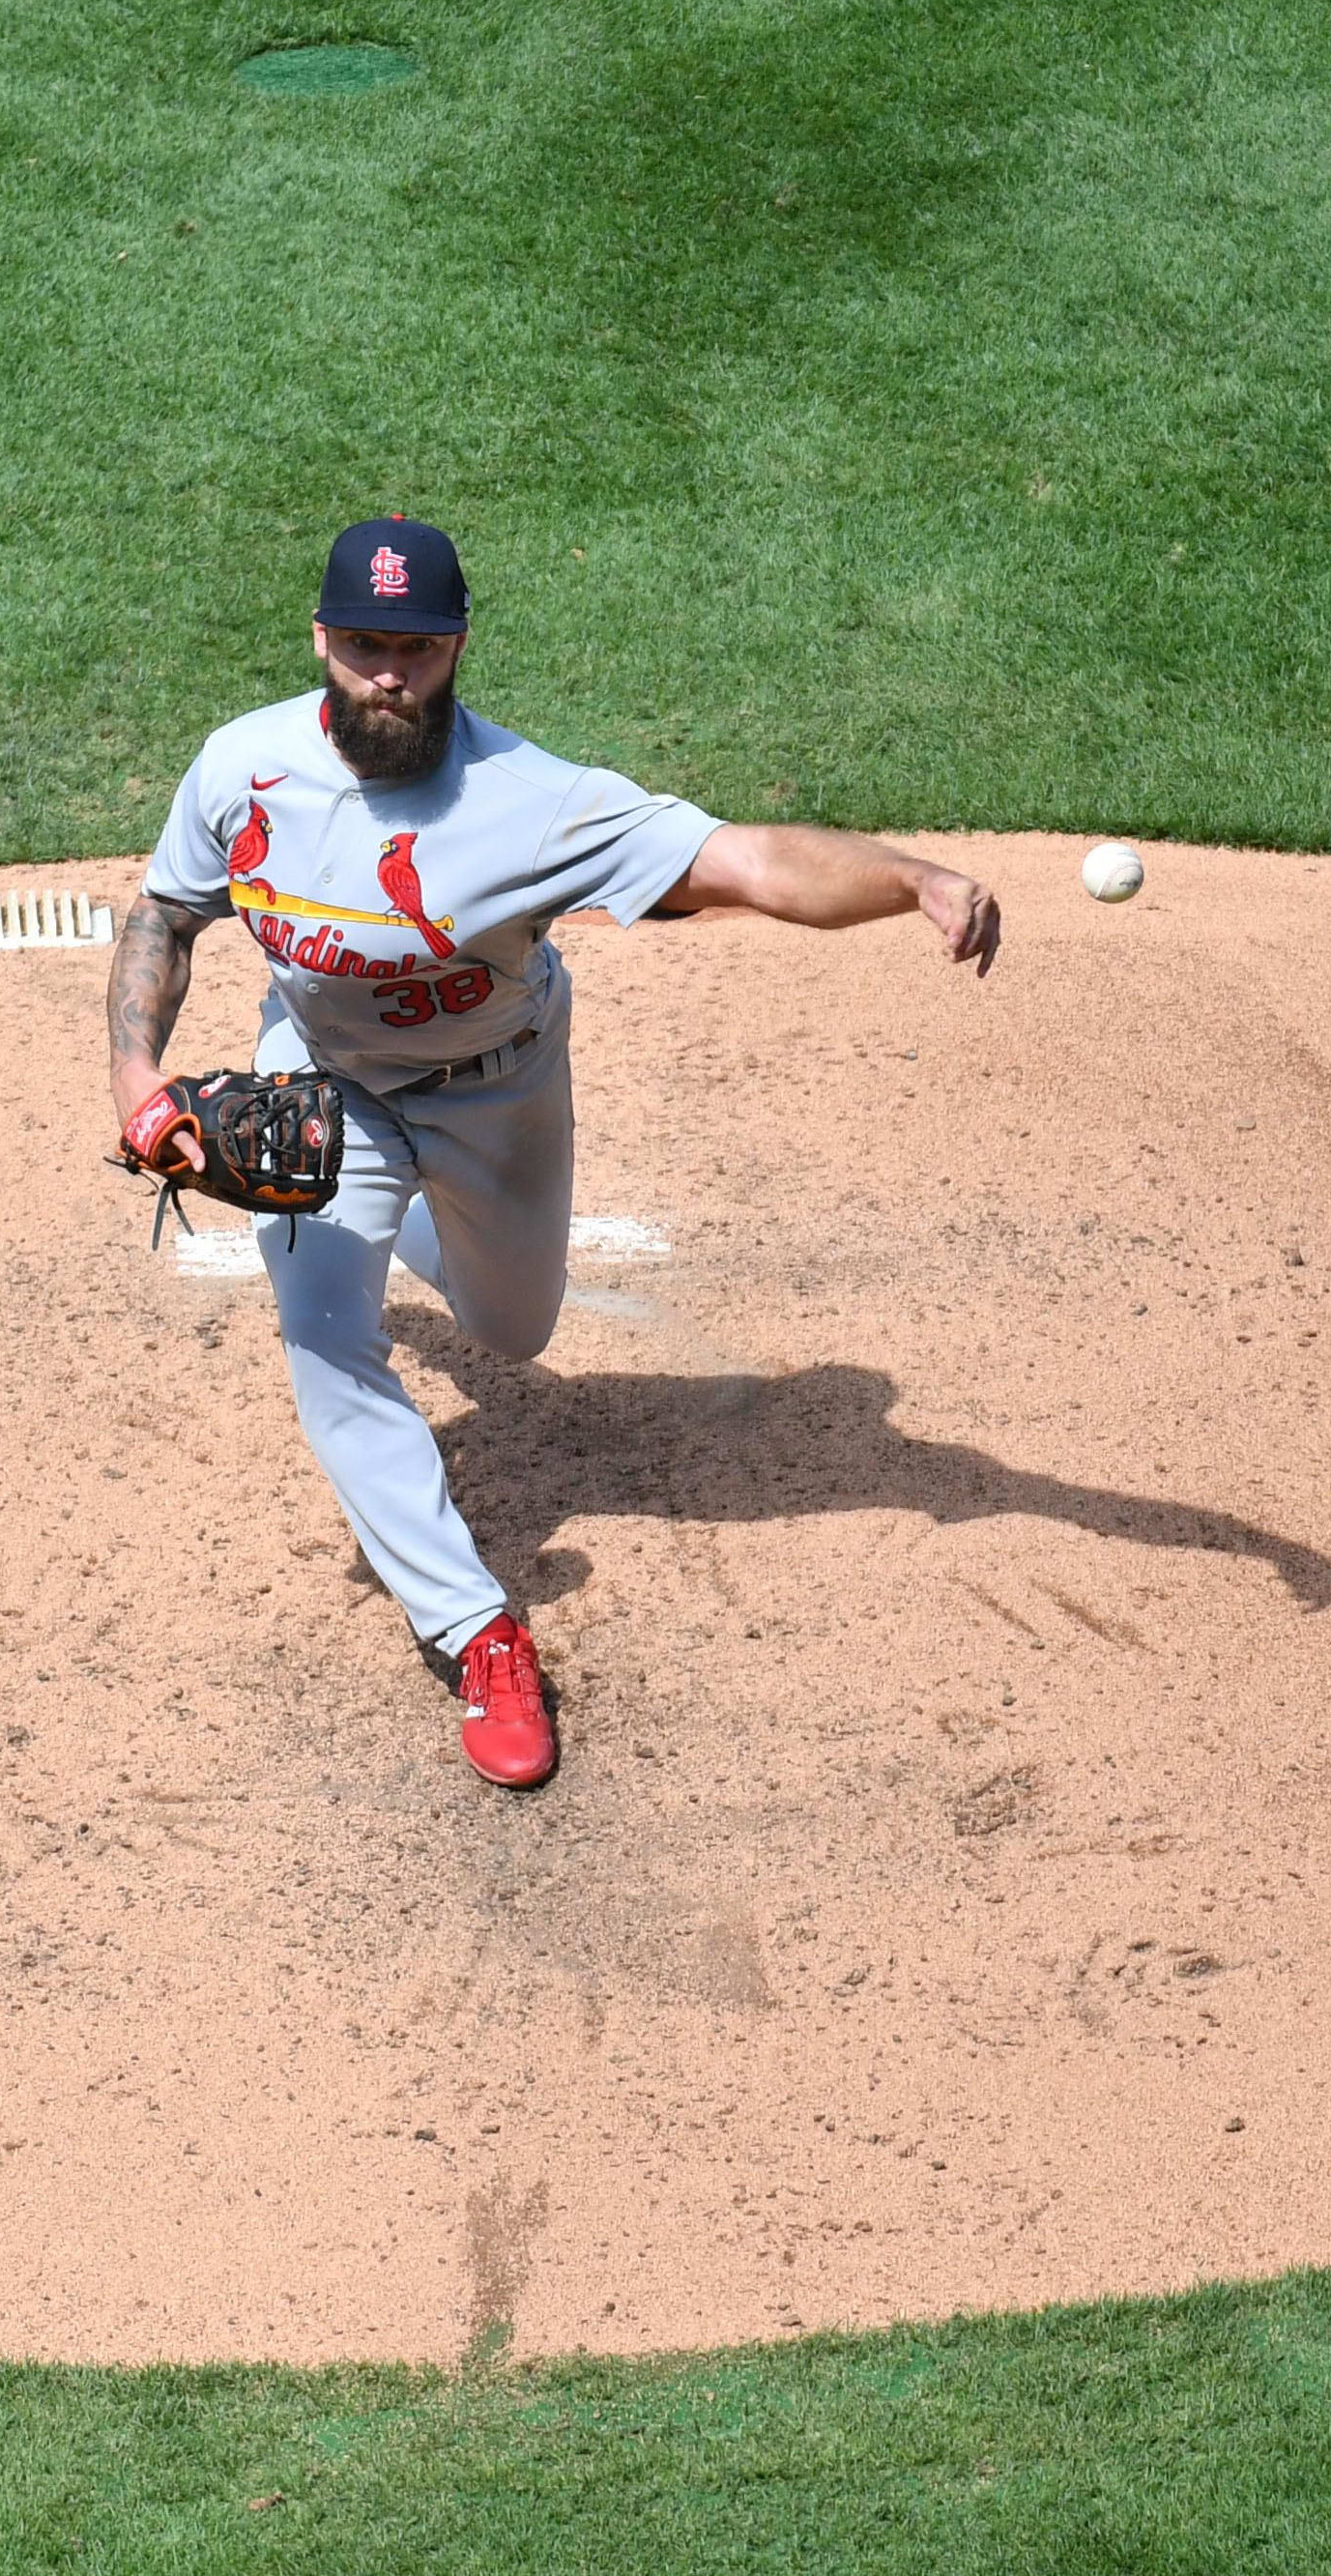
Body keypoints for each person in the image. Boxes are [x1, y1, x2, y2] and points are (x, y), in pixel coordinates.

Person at [105, 516, 1001, 1789]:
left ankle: (404, 1217)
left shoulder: (535, 803)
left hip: (497, 1093)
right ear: (319, 636)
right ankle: (476, 1631)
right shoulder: (239, 768)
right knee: (321, 1333)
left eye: (413, 647)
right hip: (324, 1084)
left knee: (512, 1327)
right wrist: (137, 1076)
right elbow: (168, 910)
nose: (386, 671)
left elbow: (742, 862)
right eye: (362, 640)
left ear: (456, 644)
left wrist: (912, 878)